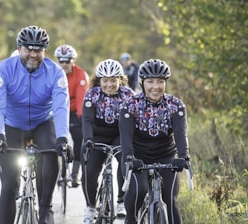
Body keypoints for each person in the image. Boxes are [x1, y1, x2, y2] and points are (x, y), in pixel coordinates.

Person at [0, 25, 73, 224]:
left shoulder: (55, 72)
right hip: (13, 124)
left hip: (43, 121)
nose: (33, 54)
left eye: (38, 49)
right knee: (9, 184)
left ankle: (45, 207)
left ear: (45, 50)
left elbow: (61, 106)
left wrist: (62, 138)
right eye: (28, 49)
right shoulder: (3, 69)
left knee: (52, 153)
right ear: (19, 49)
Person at [119, 59, 191, 224]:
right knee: (139, 190)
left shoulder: (176, 105)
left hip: (166, 155)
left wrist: (184, 156)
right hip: (137, 156)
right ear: (142, 82)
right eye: (150, 82)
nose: (155, 87)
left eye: (160, 82)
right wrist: (129, 157)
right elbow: (126, 136)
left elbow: (180, 133)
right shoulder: (130, 105)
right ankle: (131, 219)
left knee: (170, 199)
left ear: (166, 83)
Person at [81, 59, 135, 223]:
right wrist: (89, 140)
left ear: (120, 80)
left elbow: (133, 121)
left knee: (125, 160)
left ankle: (120, 201)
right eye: (105, 80)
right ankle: (90, 206)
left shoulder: (128, 94)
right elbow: (87, 120)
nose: (109, 84)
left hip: (119, 134)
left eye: (113, 80)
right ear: (99, 81)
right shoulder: (92, 94)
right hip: (97, 134)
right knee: (89, 171)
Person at [54, 44, 89, 187]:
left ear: (73, 61)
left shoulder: (81, 75)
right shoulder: (53, 73)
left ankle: (75, 174)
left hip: (74, 110)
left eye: (67, 61)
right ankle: (56, 172)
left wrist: (81, 116)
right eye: (60, 61)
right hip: (57, 108)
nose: (63, 64)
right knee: (53, 140)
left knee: (79, 138)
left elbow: (81, 97)